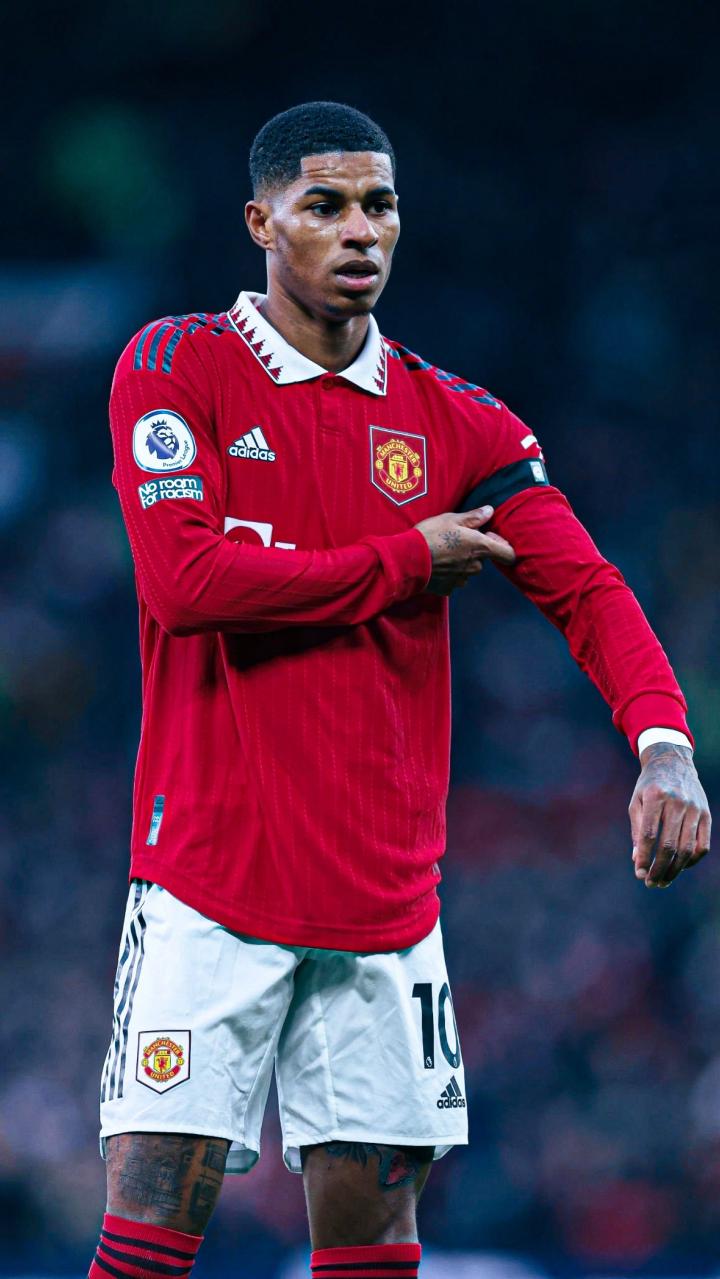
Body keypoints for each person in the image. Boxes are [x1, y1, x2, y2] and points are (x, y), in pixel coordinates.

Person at [90, 101, 711, 1279]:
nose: (359, 229)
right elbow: (185, 583)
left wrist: (664, 744)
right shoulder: (177, 365)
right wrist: (405, 561)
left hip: (386, 906)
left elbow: (587, 587)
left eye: (379, 204)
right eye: (324, 205)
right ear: (260, 222)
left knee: (375, 1246)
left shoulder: (456, 420)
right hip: (207, 887)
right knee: (150, 1235)